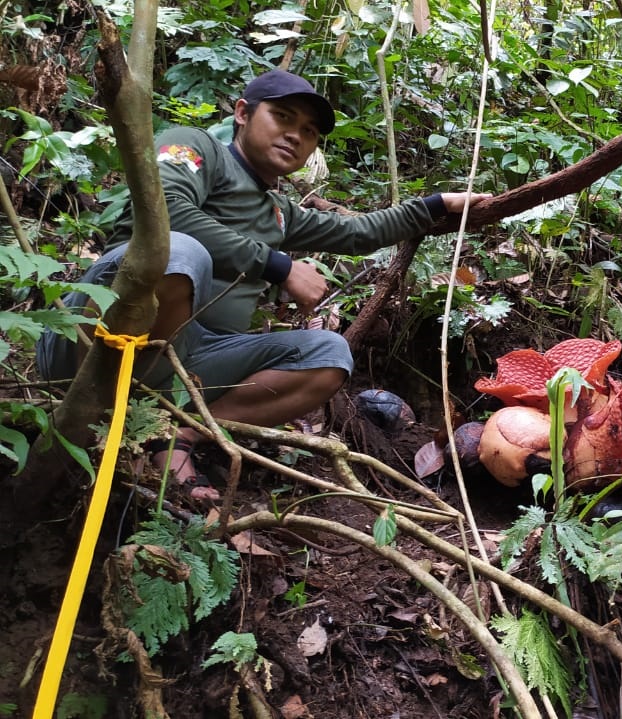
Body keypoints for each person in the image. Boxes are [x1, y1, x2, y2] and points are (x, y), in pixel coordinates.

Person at [37, 69, 491, 502]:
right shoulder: (196, 148)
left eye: (310, 130)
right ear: (242, 113)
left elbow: (355, 234)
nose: (296, 135)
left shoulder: (278, 212)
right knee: (182, 251)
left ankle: (171, 433)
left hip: (186, 368)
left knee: (329, 353)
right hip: (94, 339)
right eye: (283, 117)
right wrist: (278, 265)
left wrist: (435, 205)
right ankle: (114, 409)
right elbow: (164, 212)